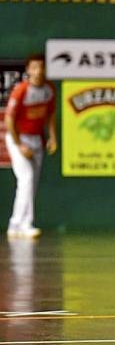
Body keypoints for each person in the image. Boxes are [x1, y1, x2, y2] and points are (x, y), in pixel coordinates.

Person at [5, 54, 57, 238]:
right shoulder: (21, 90)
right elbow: (9, 119)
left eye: (42, 67)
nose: (39, 71)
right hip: (17, 139)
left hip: (36, 140)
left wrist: (53, 137)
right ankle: (22, 224)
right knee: (26, 178)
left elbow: (50, 115)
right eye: (34, 67)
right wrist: (19, 145)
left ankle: (16, 225)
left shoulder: (49, 89)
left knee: (31, 184)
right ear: (28, 70)